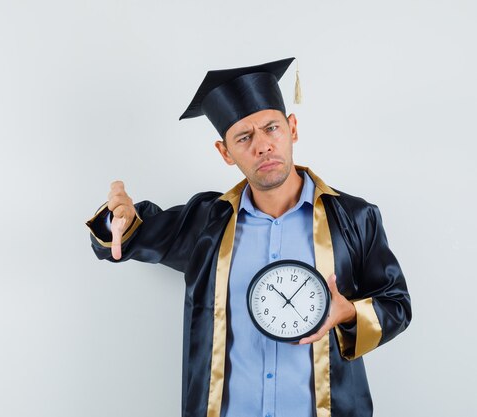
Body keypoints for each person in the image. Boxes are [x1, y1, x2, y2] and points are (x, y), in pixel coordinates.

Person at [86, 57, 411, 417]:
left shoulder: (353, 217)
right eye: (244, 137)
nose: (262, 146)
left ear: (292, 128)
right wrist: (118, 220)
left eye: (271, 128)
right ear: (225, 152)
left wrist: (348, 312)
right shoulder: (208, 224)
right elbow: (128, 237)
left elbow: (396, 305)